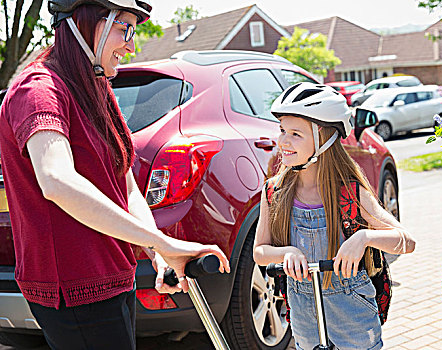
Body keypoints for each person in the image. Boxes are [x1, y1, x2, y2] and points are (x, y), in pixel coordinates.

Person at [0, 0, 229, 348]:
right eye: (124, 28)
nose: (131, 45)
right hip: (75, 287)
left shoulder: (97, 88)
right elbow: (56, 180)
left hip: (116, 275)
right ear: (85, 21)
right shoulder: (39, 91)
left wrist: (155, 251)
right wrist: (163, 242)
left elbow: (125, 184)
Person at [253, 82, 416, 350]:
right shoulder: (275, 191)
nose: (283, 141)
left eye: (296, 134)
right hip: (302, 310)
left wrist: (364, 238)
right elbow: (260, 252)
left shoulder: (350, 193)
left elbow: (407, 242)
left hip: (351, 310)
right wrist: (287, 253)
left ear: (324, 140)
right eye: (282, 130)